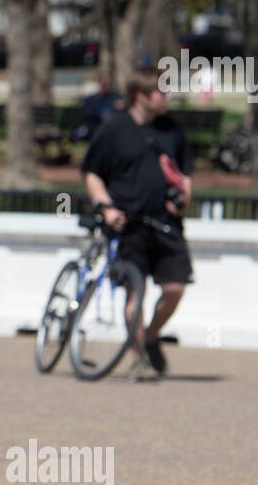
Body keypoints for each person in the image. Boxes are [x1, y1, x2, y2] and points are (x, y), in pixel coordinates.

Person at [81, 74, 194, 380]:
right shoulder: (114, 129)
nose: (166, 97)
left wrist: (183, 197)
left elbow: (185, 175)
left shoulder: (172, 130)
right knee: (135, 293)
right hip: (128, 225)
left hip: (166, 223)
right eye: (160, 92)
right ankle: (139, 356)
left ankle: (152, 334)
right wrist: (106, 207)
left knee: (175, 288)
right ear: (140, 95)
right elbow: (92, 173)